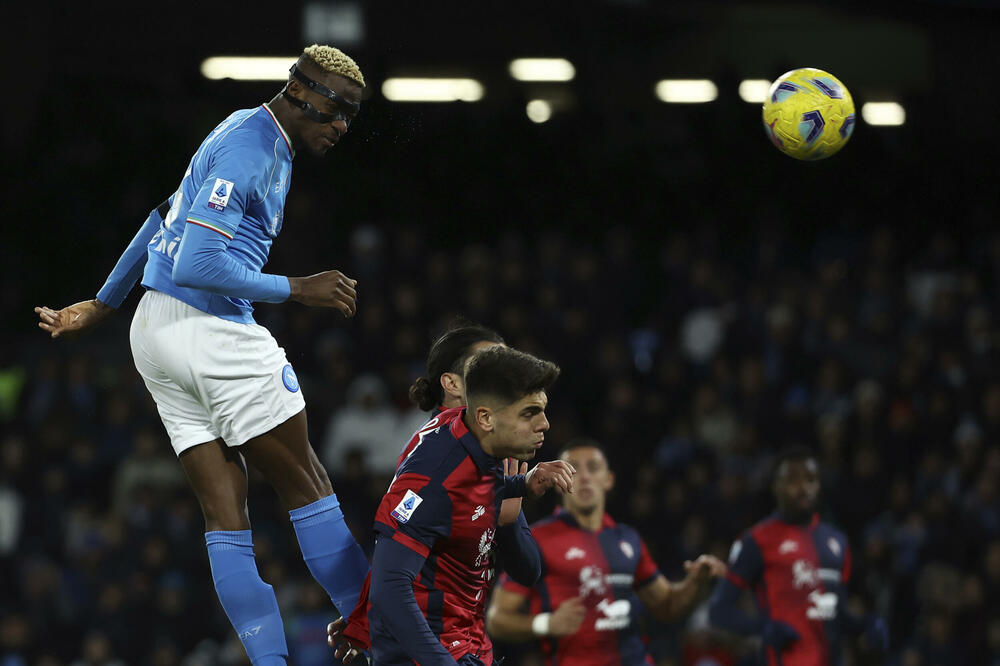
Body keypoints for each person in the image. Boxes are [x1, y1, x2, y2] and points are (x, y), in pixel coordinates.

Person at [34, 45, 372, 665]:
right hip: (208, 329)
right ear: (304, 95)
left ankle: (270, 661)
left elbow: (165, 214)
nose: (342, 127)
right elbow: (197, 262)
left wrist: (104, 304)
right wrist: (299, 288)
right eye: (338, 111)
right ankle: (377, 636)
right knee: (308, 485)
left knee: (225, 513)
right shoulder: (252, 151)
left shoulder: (244, 128)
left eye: (352, 116)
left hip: (153, 333)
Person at [329, 323, 576, 663]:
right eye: (485, 365)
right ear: (458, 386)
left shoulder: (482, 447)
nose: (545, 424)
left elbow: (521, 564)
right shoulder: (436, 465)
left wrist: (518, 487)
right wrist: (372, 615)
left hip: (469, 641)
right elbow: (395, 573)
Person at [486, 439, 727, 666]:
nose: (585, 477)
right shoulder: (539, 539)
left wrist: (697, 583)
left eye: (593, 468)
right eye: (574, 469)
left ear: (609, 480)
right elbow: (497, 619)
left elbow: (666, 606)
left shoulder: (628, 539)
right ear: (559, 481)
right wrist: (545, 623)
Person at [708, 446, 889, 666]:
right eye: (793, 480)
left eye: (811, 480)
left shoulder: (837, 542)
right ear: (776, 486)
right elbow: (718, 610)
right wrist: (762, 628)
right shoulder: (756, 540)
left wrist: (866, 625)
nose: (804, 488)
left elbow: (834, 614)